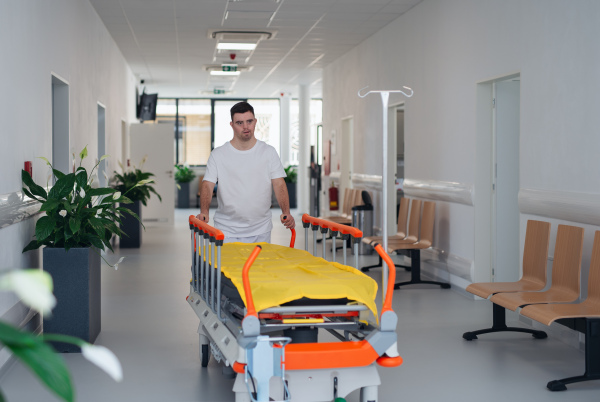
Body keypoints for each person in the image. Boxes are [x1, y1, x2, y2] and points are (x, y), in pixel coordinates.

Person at [197, 101, 295, 243]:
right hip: (226, 229)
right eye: (239, 123)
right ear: (232, 125)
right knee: (229, 266)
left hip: (261, 229)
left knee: (258, 266)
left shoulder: (268, 152)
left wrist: (286, 213)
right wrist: (204, 212)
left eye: (249, 121)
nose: (245, 127)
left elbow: (279, 184)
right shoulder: (218, 154)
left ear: (255, 122)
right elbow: (207, 185)